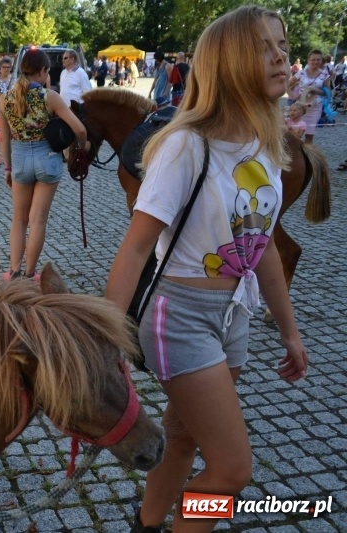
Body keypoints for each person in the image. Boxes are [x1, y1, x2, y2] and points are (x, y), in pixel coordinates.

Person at [105, 7, 308, 533]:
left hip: (233, 314)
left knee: (185, 434)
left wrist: (289, 330)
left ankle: (150, 523)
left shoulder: (265, 146)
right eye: (267, 47)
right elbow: (135, 249)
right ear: (230, 61)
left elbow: (259, 246)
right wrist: (102, 337)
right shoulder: (186, 146)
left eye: (282, 44)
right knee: (233, 469)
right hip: (180, 316)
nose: (283, 57)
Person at [0, 48, 89, 281]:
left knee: (19, 219)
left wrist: (7, 168)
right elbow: (79, 129)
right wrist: (78, 147)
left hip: (19, 160)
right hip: (47, 159)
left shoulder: (6, 99)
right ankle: (30, 274)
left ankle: (13, 271)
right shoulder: (50, 97)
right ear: (43, 71)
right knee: (38, 220)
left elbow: (5, 139)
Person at [287, 49, 330, 143]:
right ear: (308, 60)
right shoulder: (301, 73)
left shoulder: (325, 74)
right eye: (313, 59)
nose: (315, 62)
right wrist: (292, 96)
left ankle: (308, 155)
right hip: (300, 108)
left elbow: (327, 92)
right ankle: (296, 153)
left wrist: (318, 91)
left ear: (321, 61)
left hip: (315, 107)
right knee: (295, 133)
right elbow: (287, 84)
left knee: (309, 135)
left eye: (318, 59)